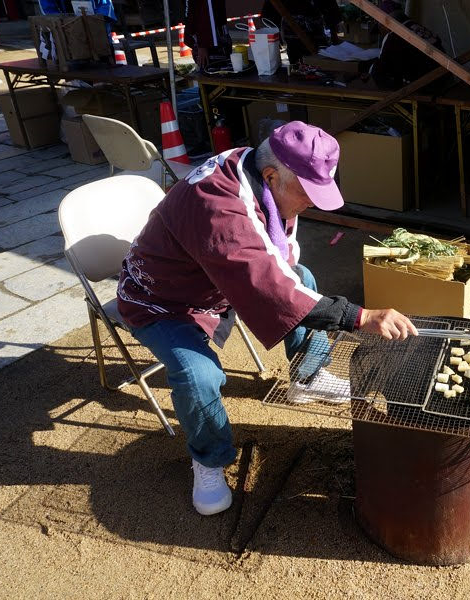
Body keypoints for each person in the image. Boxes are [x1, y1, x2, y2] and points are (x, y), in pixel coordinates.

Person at [117, 121, 417, 516]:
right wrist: (359, 316)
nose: (311, 203)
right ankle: (208, 461)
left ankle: (308, 377)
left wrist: (307, 294)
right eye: (307, 193)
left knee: (303, 279)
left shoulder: (258, 171)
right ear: (273, 176)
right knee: (199, 374)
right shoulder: (219, 205)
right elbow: (267, 282)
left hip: (212, 281)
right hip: (162, 298)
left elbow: (280, 259)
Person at [370, 7, 444, 90]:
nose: (382, 33)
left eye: (380, 28)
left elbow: (381, 69)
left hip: (425, 85)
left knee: (376, 70)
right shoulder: (419, 28)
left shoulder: (393, 36)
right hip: (443, 78)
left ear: (385, 23)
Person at [261, 0, 343, 66]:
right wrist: (275, 33)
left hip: (316, 35)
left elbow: (331, 9)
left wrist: (334, 35)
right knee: (297, 68)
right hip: (292, 36)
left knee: (321, 65)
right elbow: (269, 12)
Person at [185, 0, 232, 69]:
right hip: (209, 43)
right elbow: (202, 12)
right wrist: (202, 45)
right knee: (213, 72)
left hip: (216, 38)